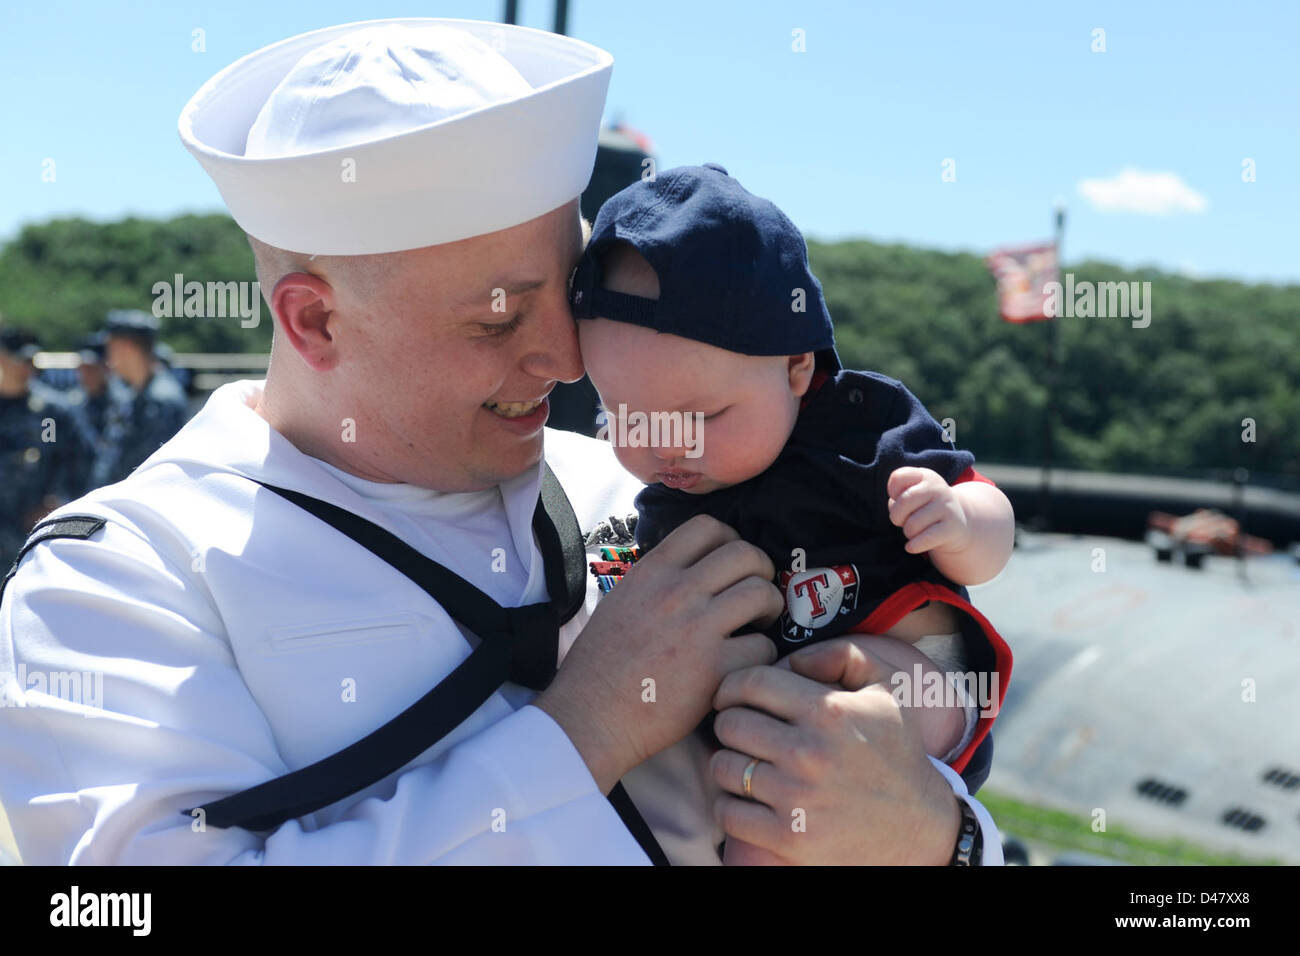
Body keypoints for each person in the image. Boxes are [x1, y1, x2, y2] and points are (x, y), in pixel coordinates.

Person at [0, 19, 1003, 865]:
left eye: (566, 298)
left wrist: (932, 829)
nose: (565, 361)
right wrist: (582, 732)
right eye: (494, 321)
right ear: (312, 321)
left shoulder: (644, 486)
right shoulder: (114, 587)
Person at [571, 164, 1015, 863]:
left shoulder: (861, 432)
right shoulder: (664, 498)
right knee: (762, 832)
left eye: (700, 416)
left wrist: (959, 521)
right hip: (765, 717)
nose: (666, 447)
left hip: (907, 665)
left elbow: (994, 530)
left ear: (796, 370)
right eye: (625, 415)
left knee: (838, 727)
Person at [0, 329, 86, 565]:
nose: (25, 367)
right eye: (19, 359)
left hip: (33, 533)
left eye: (30, 360)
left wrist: (58, 501)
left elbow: (76, 461)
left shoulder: (51, 413)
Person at [87, 309, 189, 490]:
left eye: (110, 347)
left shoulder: (161, 400)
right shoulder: (133, 394)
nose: (107, 357)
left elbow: (152, 473)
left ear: (126, 347)